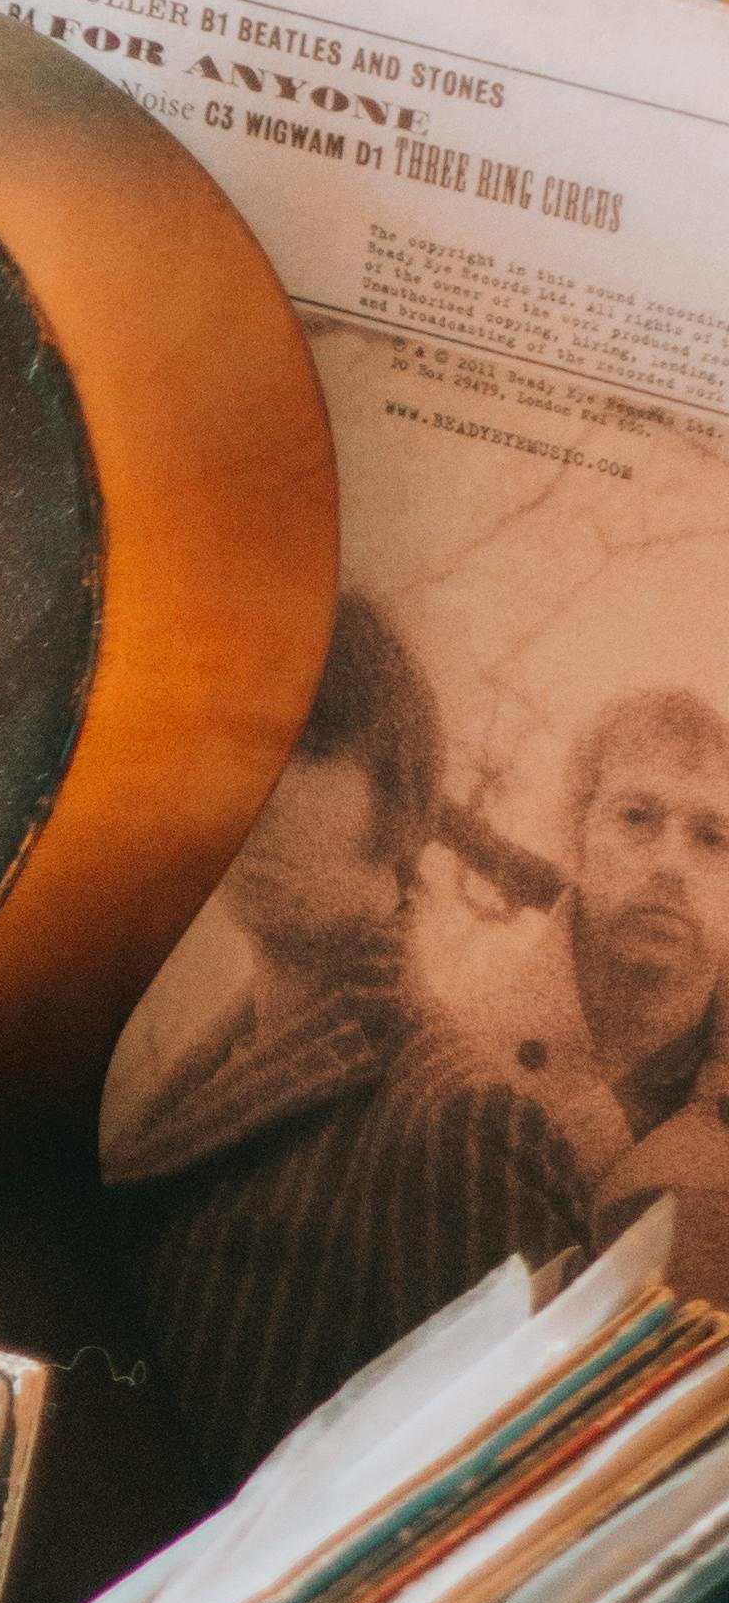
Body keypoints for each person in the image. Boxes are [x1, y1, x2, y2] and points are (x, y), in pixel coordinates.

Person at [112, 594, 591, 1485]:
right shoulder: (194, 1074)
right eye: (234, 740)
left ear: (400, 801)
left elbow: (475, 1518)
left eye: (302, 743)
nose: (249, 783)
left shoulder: (465, 1127)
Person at [454, 684, 729, 1295]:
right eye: (637, 818)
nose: (670, 864)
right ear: (576, 838)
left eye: (712, 837)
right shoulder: (457, 1061)